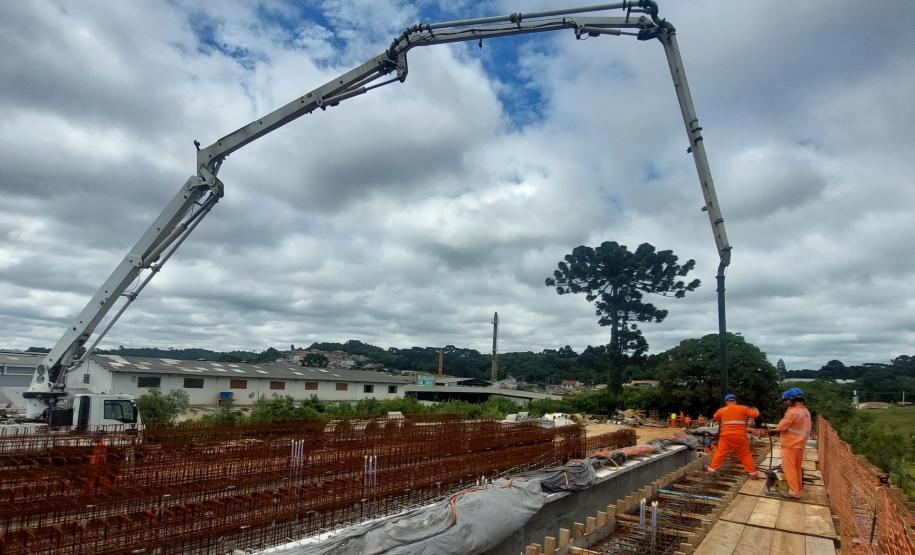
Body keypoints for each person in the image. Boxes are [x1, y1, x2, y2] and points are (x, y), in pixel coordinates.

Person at [708, 393, 762, 478]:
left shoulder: (721, 410)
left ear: (726, 402)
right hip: (739, 436)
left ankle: (711, 470)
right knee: (745, 455)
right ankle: (753, 474)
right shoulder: (743, 408)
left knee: (720, 453)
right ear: (735, 401)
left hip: (725, 436)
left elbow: (715, 418)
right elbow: (755, 414)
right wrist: (756, 409)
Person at [774, 387, 812, 500]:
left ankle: (794, 492)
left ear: (792, 399)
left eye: (787, 400)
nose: (786, 403)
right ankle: (799, 490)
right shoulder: (805, 411)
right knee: (797, 468)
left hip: (790, 444)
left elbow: (781, 427)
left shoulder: (793, 412)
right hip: (800, 445)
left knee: (789, 468)